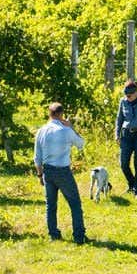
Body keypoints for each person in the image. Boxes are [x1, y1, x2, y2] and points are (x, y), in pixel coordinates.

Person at [34, 102, 87, 244]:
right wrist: (71, 127)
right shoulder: (66, 130)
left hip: (47, 171)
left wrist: (40, 175)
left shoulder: (41, 131)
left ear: (49, 114)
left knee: (50, 205)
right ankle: (79, 236)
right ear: (61, 114)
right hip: (63, 171)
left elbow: (37, 158)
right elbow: (81, 144)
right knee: (75, 203)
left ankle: (53, 234)